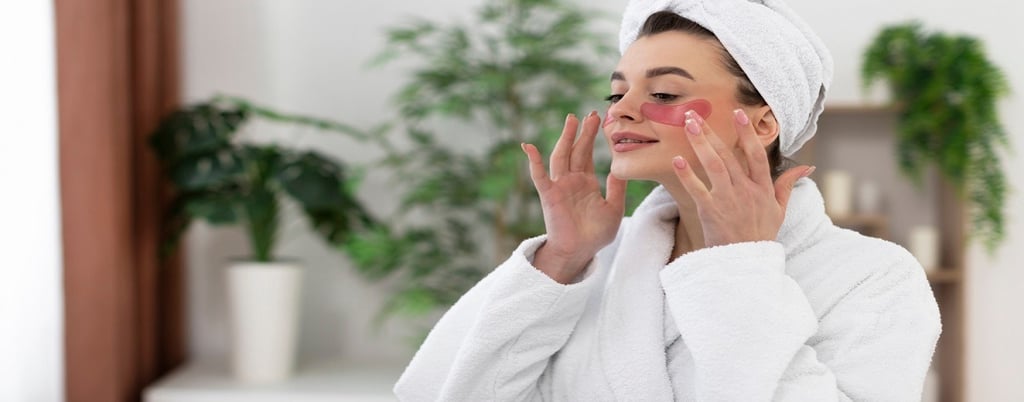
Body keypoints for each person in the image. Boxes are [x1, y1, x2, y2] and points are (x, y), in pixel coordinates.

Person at [394, 0, 941, 400]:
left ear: (762, 122)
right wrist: (561, 258)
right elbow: (447, 392)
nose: (621, 110)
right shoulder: (592, 263)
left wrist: (738, 271)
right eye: (617, 91)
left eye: (662, 94)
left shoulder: (873, 277)